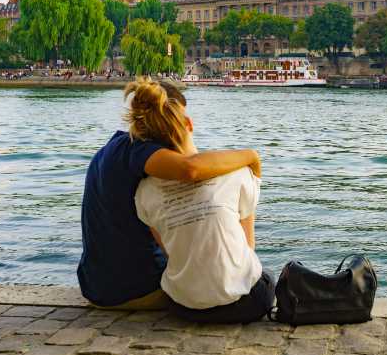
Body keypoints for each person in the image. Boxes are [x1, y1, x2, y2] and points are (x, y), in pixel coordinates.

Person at [77, 77, 261, 310]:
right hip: (137, 290)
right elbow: (190, 168)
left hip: (96, 287)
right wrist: (251, 157)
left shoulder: (115, 148)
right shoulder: (138, 151)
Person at [135, 109, 273, 323]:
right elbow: (248, 246)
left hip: (183, 306)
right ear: (189, 123)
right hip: (244, 304)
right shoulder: (236, 174)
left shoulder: (143, 192)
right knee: (266, 276)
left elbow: (170, 252)